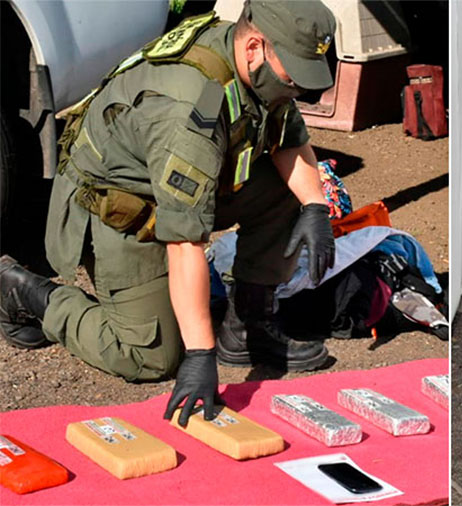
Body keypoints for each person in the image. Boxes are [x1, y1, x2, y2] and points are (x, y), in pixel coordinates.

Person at [0, 0, 338, 427]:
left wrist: (315, 208)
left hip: (185, 183)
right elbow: (184, 241)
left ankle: (248, 325)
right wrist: (200, 355)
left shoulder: (254, 65)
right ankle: (26, 292)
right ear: (254, 46)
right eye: (293, 75)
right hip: (120, 207)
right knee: (148, 356)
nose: (298, 90)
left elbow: (288, 135)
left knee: (292, 192)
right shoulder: (189, 105)